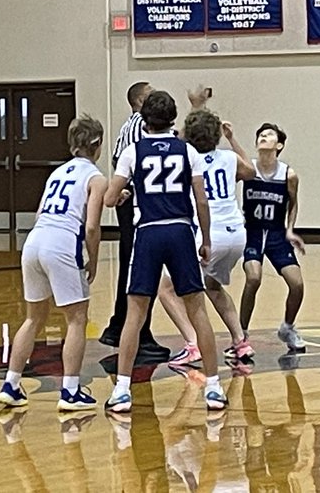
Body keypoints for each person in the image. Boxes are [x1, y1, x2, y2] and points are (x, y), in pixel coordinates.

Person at [104, 90, 226, 413]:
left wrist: (126, 191)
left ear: (144, 120)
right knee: (197, 309)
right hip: (181, 230)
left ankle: (121, 390)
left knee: (135, 313)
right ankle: (213, 387)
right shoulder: (188, 152)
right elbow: (201, 200)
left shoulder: (133, 152)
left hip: (148, 233)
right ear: (173, 119)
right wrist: (207, 240)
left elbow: (109, 197)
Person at [0, 115, 106, 411]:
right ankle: (70, 391)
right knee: (76, 318)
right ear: (97, 144)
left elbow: (40, 213)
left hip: (35, 241)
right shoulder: (96, 178)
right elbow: (92, 227)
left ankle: (12, 384)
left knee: (33, 318)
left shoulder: (57, 173)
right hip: (61, 243)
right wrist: (93, 259)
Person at [158, 110, 255, 366]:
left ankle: (192, 344)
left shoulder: (187, 159)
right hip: (236, 234)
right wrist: (232, 139)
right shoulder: (229, 157)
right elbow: (251, 172)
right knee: (212, 286)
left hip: (209, 232)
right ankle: (240, 341)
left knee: (166, 288)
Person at [99, 81, 171, 363]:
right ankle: (137, 333)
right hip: (136, 206)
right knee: (141, 269)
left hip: (133, 202)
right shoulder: (139, 126)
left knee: (134, 267)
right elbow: (127, 163)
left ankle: (119, 326)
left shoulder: (132, 126)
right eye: (152, 94)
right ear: (141, 101)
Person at [230, 122, 306, 352]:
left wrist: (290, 229)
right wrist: (231, 138)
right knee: (253, 278)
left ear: (279, 145)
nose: (264, 137)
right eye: (260, 135)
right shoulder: (248, 169)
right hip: (252, 232)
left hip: (275, 234)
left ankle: (287, 327)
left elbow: (293, 203)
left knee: (297, 284)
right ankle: (241, 335)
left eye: (269, 134)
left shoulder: (288, 175)